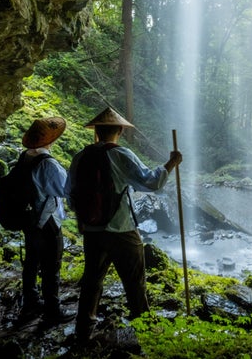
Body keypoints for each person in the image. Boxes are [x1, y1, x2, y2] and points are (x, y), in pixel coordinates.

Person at [67, 107, 182, 341]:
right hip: (121, 228)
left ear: (97, 131)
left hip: (92, 230)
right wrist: (171, 163)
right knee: (134, 279)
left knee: (92, 279)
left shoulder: (80, 157)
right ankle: (145, 326)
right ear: (119, 130)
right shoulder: (121, 154)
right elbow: (151, 183)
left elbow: (69, 194)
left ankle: (83, 328)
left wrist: (83, 221)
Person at [19, 116, 76, 323]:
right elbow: (65, 189)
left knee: (32, 262)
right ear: (50, 139)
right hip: (47, 220)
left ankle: (30, 302)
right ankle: (52, 310)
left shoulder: (24, 157)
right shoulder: (47, 163)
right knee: (52, 265)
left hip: (29, 218)